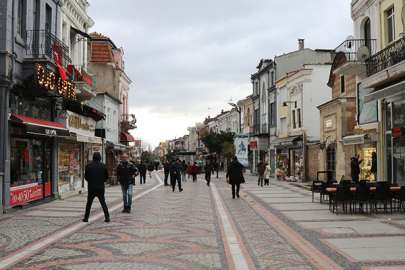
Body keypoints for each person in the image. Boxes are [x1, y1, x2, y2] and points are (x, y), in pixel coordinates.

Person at [83, 152, 110, 223]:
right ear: (100, 157)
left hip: (91, 187)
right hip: (100, 187)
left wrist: (90, 181)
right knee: (103, 203)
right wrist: (102, 181)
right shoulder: (103, 166)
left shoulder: (88, 166)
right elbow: (107, 177)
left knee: (89, 203)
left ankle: (86, 218)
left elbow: (86, 177)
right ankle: (107, 217)